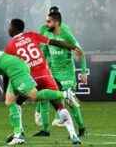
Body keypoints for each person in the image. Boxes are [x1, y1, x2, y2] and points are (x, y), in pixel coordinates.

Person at [0, 30, 79, 146]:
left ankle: (65, 94)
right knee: (9, 101)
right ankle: (18, 134)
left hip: (15, 69)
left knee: (34, 95)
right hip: (17, 65)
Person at [4, 18, 82, 143]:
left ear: (14, 28)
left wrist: (7, 89)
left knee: (15, 103)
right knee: (59, 107)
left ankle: (19, 133)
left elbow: (8, 69)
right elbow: (54, 42)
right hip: (46, 75)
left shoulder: (10, 46)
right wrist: (73, 47)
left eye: (9, 26)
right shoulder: (31, 35)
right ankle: (74, 136)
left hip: (30, 78)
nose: (8, 29)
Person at [37, 7, 89, 137]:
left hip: (67, 74)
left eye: (49, 21)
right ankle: (45, 130)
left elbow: (80, 53)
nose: (46, 24)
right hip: (53, 72)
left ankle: (82, 129)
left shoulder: (66, 35)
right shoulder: (47, 33)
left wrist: (83, 72)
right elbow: (45, 52)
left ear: (56, 22)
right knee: (44, 97)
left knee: (69, 100)